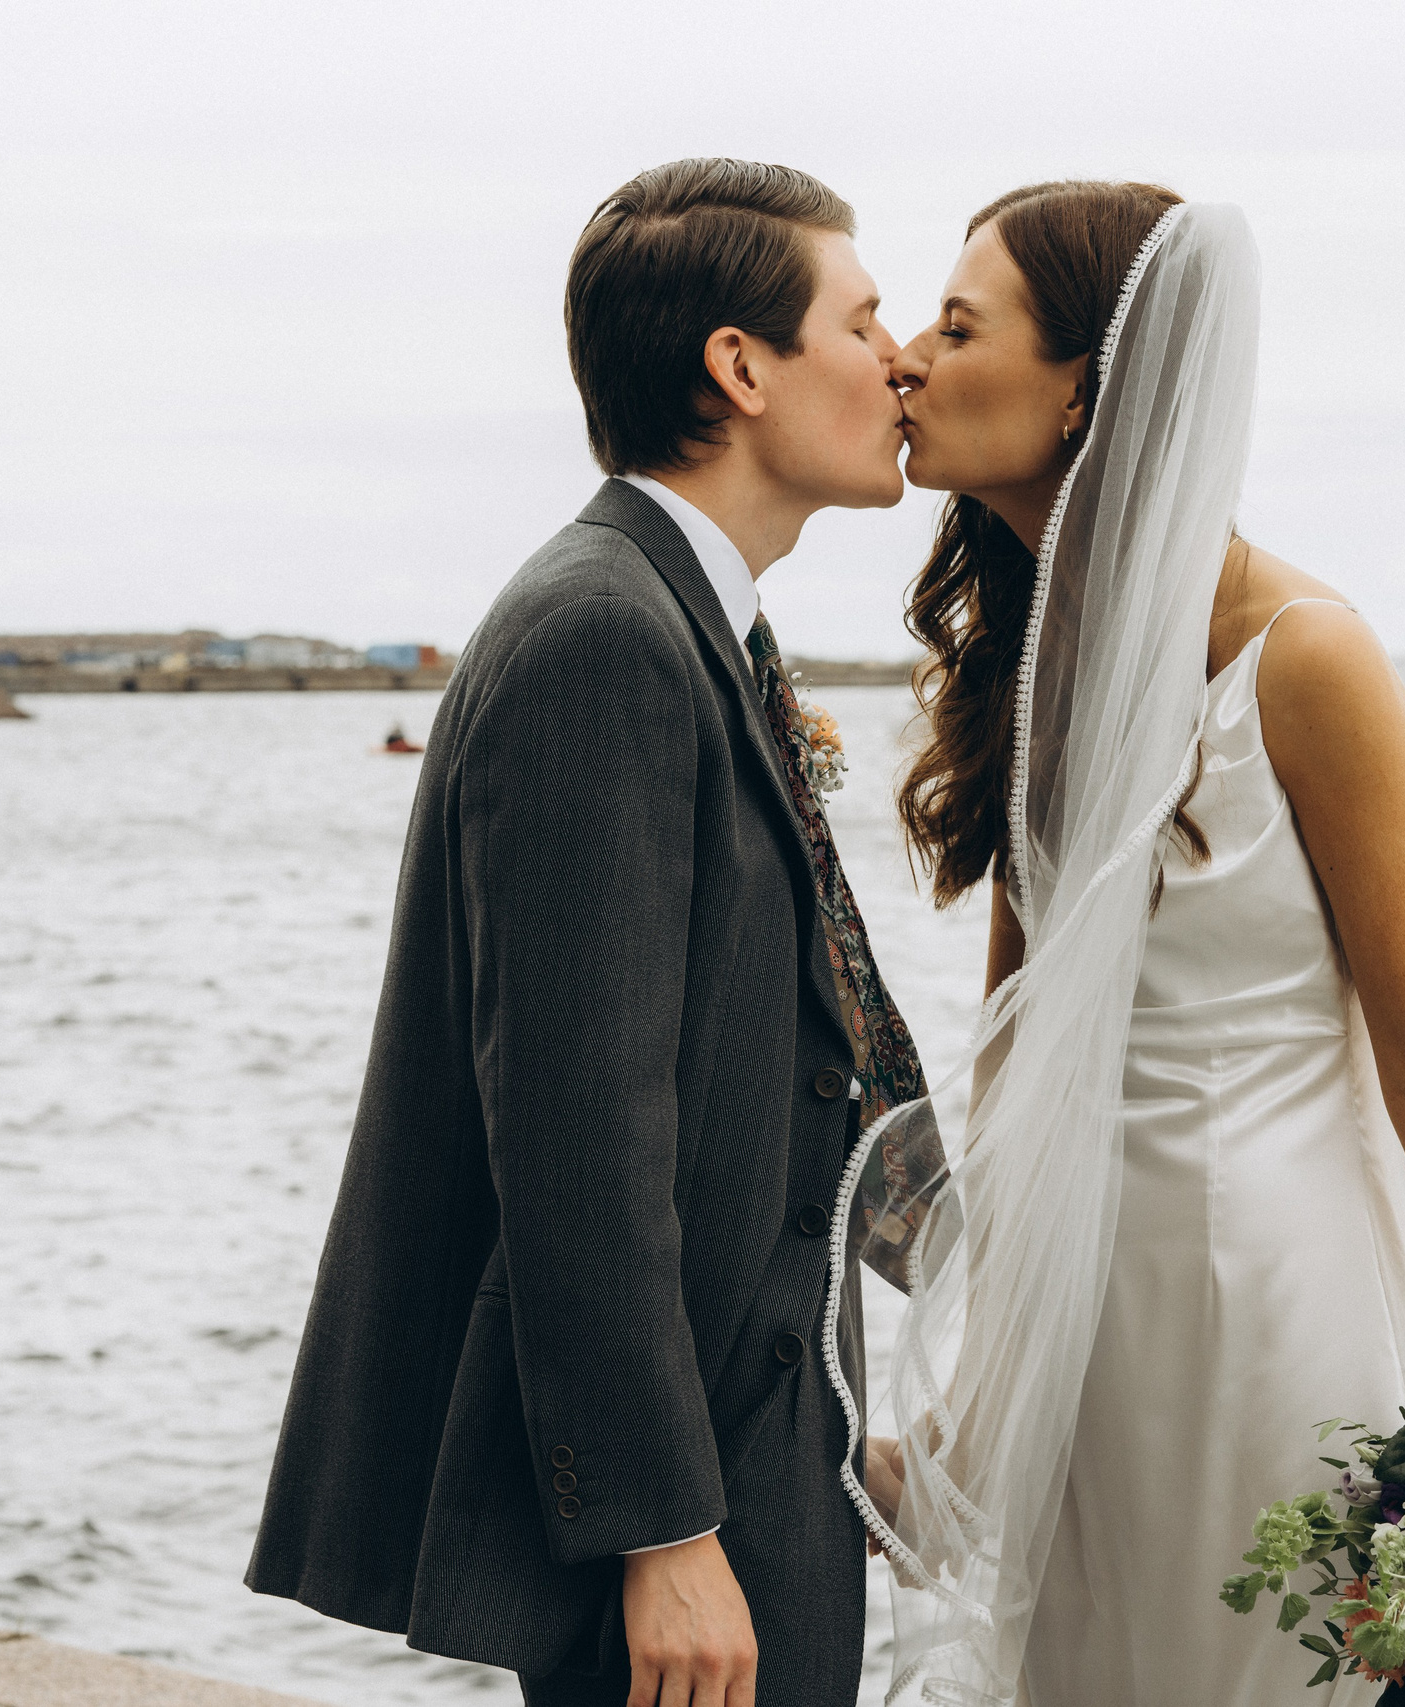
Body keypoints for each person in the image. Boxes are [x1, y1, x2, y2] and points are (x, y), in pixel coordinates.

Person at [852, 183, 1405, 1702]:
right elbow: (1020, 1062)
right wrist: (982, 1407)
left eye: (958, 327)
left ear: (1083, 390)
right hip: (1083, 1347)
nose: (903, 354)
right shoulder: (1046, 660)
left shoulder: (1310, 662)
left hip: (1263, 1306)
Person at [245, 158, 918, 1707]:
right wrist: (664, 1530)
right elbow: (573, 1120)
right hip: (681, 1508)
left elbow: (774, 1078)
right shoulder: (602, 633)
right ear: (740, 368)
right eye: (866, 318)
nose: (898, 362)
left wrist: (834, 1413)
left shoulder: (688, 614)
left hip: (762, 1440)